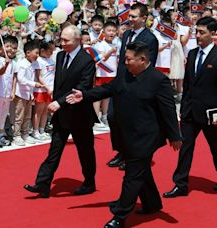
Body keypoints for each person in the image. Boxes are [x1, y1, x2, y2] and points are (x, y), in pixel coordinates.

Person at [66, 42, 182, 228]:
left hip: (145, 137)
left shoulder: (158, 80)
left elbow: (168, 110)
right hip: (125, 134)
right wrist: (84, 96)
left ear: (142, 59)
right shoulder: (125, 74)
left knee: (132, 175)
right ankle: (152, 204)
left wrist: (175, 135)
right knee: (142, 171)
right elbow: (107, 89)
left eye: (128, 59)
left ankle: (119, 216)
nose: (125, 62)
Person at [24, 25, 97, 198]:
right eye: (61, 39)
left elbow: (83, 88)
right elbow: (59, 83)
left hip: (80, 114)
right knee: (54, 150)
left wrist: (60, 102)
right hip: (61, 114)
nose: (62, 43)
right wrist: (54, 100)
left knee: (85, 151)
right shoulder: (60, 55)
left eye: (66, 40)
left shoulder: (86, 60)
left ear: (78, 40)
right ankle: (43, 184)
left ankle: (89, 182)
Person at [163, 16, 217, 198]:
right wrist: (183, 109)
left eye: (202, 32)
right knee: (184, 148)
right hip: (189, 112)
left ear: (213, 33)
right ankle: (181, 184)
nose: (198, 36)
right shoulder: (192, 54)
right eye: (196, 32)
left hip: (212, 115)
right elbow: (188, 84)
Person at [107, 2, 160, 170]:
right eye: (129, 16)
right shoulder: (127, 34)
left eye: (134, 16)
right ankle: (121, 150)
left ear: (144, 18)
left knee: (130, 121)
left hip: (137, 84)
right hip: (121, 81)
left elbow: (148, 65)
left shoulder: (150, 39)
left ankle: (131, 155)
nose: (130, 19)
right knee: (112, 116)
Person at [11, 40, 43, 146]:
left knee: (27, 115)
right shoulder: (22, 64)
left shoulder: (32, 64)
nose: (37, 56)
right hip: (20, 94)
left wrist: (32, 92)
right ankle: (16, 135)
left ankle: (25, 134)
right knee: (19, 115)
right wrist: (34, 84)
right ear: (28, 53)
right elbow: (21, 79)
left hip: (28, 94)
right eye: (36, 53)